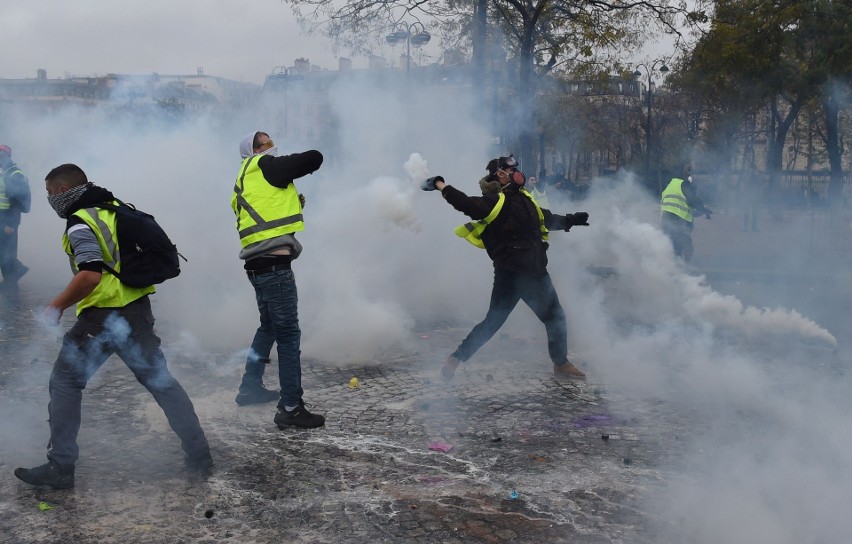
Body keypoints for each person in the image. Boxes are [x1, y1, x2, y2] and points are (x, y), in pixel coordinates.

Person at [14, 164, 211, 490]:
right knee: (162, 383)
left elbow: (90, 274)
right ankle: (200, 455)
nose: (50, 200)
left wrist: (57, 305)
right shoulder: (114, 209)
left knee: (65, 383)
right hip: (137, 313)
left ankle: (61, 467)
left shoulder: (80, 222)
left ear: (63, 191)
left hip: (101, 318)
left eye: (50, 194)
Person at [421, 155, 590, 380]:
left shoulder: (524, 198)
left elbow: (545, 219)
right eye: (511, 170)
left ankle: (561, 363)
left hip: (536, 272)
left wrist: (571, 220)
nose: (516, 172)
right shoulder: (494, 200)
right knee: (493, 322)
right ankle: (456, 358)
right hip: (510, 274)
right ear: (500, 174)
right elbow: (465, 203)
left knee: (555, 317)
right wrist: (440, 184)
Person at [231, 130, 326, 429]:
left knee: (269, 326)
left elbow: (265, 215)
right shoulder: (263, 166)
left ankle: (249, 388)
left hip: (258, 266)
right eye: (266, 144)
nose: (272, 148)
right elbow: (314, 158)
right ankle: (290, 407)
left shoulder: (244, 180)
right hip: (274, 268)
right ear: (254, 150)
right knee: (288, 336)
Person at [660, 164, 712, 262]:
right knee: (686, 248)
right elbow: (692, 200)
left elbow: (684, 207)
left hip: (665, 222)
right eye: (690, 173)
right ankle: (683, 271)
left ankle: (672, 271)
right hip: (677, 223)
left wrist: (702, 211)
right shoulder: (682, 185)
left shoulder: (671, 184)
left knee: (674, 248)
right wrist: (702, 207)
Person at [0, 145, 31, 289]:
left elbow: (18, 202)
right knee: (3, 251)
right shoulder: (3, 172)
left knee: (7, 251)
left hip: (8, 219)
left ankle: (11, 283)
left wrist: (11, 224)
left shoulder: (15, 174)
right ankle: (15, 272)